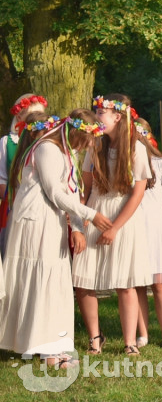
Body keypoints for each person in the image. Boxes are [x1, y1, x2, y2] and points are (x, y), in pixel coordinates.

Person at [0, 111, 113, 368]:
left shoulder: (66, 153)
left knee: (54, 283)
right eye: (88, 138)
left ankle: (52, 346)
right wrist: (91, 215)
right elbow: (54, 192)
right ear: (77, 133)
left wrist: (77, 227)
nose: (90, 144)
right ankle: (48, 351)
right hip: (35, 223)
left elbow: (70, 191)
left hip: (52, 221)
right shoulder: (47, 149)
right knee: (42, 283)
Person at [73, 94, 153, 356]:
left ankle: (129, 341)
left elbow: (138, 193)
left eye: (101, 113)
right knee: (83, 280)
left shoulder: (136, 147)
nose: (97, 118)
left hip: (123, 217)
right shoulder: (94, 145)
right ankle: (95, 337)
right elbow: (85, 188)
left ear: (117, 117)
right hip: (95, 211)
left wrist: (115, 227)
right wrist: (79, 220)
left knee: (125, 282)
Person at [133, 118, 162, 350]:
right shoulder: (126, 164)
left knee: (159, 284)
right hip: (134, 227)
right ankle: (142, 333)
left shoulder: (161, 164)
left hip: (157, 229)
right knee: (138, 284)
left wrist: (159, 222)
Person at [0, 93, 48, 258]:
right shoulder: (8, 142)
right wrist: (15, 199)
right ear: (19, 117)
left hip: (43, 204)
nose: (37, 120)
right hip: (14, 203)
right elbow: (2, 178)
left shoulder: (47, 142)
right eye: (32, 115)